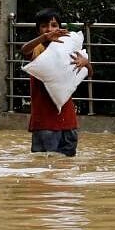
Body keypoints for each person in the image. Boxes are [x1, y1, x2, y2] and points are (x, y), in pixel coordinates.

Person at [19, 8, 92, 157]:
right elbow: (24, 50)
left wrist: (86, 63)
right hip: (44, 122)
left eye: (53, 25)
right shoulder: (37, 49)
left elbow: (89, 73)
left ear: (60, 27)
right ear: (38, 30)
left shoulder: (67, 47)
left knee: (66, 168)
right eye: (44, 26)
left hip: (69, 122)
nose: (49, 29)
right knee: (44, 168)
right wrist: (44, 38)